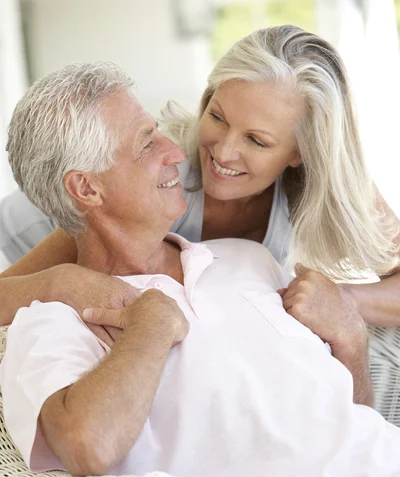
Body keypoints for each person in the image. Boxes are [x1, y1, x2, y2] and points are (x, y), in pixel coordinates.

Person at [2, 61, 400, 477]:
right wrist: (149, 324)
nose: (180, 152)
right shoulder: (56, 315)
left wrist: (349, 333)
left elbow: (342, 414)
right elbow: (87, 445)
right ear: (88, 189)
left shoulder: (250, 261)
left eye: (258, 139)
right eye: (147, 143)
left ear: (298, 151)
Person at [0, 25, 399, 343]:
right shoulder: (155, 184)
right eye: (217, 116)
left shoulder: (328, 186)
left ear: (302, 152)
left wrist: (345, 300)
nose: (223, 152)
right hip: (16, 240)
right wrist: (59, 282)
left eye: (256, 140)